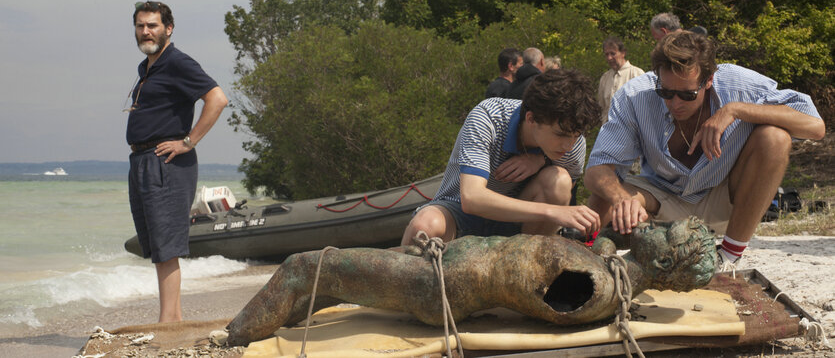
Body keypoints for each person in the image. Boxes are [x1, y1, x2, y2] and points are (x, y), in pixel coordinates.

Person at [227, 217, 715, 346]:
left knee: (304, 267)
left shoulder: (596, 285)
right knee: (328, 287)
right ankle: (271, 327)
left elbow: (562, 301)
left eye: (665, 231)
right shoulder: (615, 271)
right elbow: (608, 248)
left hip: (437, 285)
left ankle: (233, 337)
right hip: (443, 265)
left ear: (668, 260)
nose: (654, 224)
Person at [583, 31, 824, 269]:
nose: (675, 103)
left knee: (775, 138)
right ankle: (585, 263)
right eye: (666, 92)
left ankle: (728, 256)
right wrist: (623, 200)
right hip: (661, 196)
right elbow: (597, 169)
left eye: (687, 94)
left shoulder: (737, 84)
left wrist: (735, 110)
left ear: (709, 80)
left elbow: (815, 126)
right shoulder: (634, 95)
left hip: (725, 197)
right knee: (606, 192)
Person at [401, 69, 601, 246]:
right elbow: (471, 198)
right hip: (460, 213)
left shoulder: (573, 138)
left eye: (576, 136)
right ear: (531, 118)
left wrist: (540, 159)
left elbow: (565, 192)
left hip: (517, 222)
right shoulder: (488, 117)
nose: (569, 146)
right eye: (561, 135)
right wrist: (552, 211)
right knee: (425, 225)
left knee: (559, 181)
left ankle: (529, 267)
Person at [126, 0, 229, 322]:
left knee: (167, 247)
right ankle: (174, 320)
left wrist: (189, 141)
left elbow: (217, 98)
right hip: (143, 160)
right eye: (141, 25)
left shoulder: (177, 62)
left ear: (168, 29)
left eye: (152, 25)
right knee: (158, 247)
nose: (146, 31)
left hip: (166, 163)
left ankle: (167, 325)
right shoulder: (148, 67)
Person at [598, 36, 644, 124]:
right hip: (609, 131)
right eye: (606, 54)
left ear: (623, 53)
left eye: (613, 53)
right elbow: (602, 108)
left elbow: (644, 107)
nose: (609, 58)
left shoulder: (637, 74)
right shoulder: (605, 78)